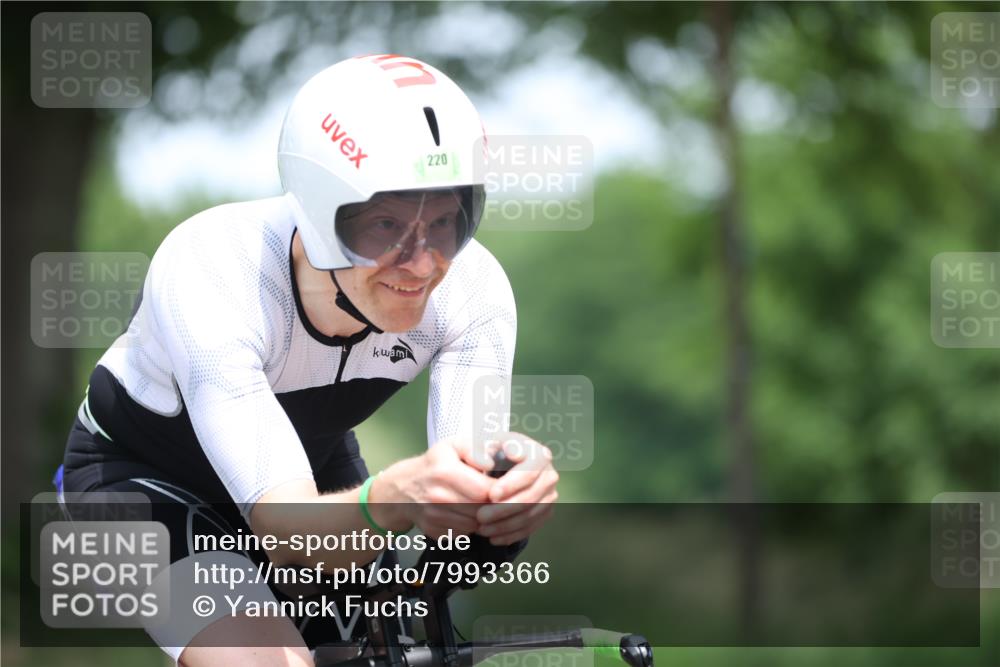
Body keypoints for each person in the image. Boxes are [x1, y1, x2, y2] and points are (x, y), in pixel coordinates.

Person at [59, 54, 559, 667]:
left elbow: (456, 527)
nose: (424, 262)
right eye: (385, 224)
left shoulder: (473, 287)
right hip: (141, 486)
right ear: (322, 213)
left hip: (312, 481)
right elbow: (286, 531)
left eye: (448, 222)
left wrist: (502, 498)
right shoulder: (215, 267)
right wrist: (394, 498)